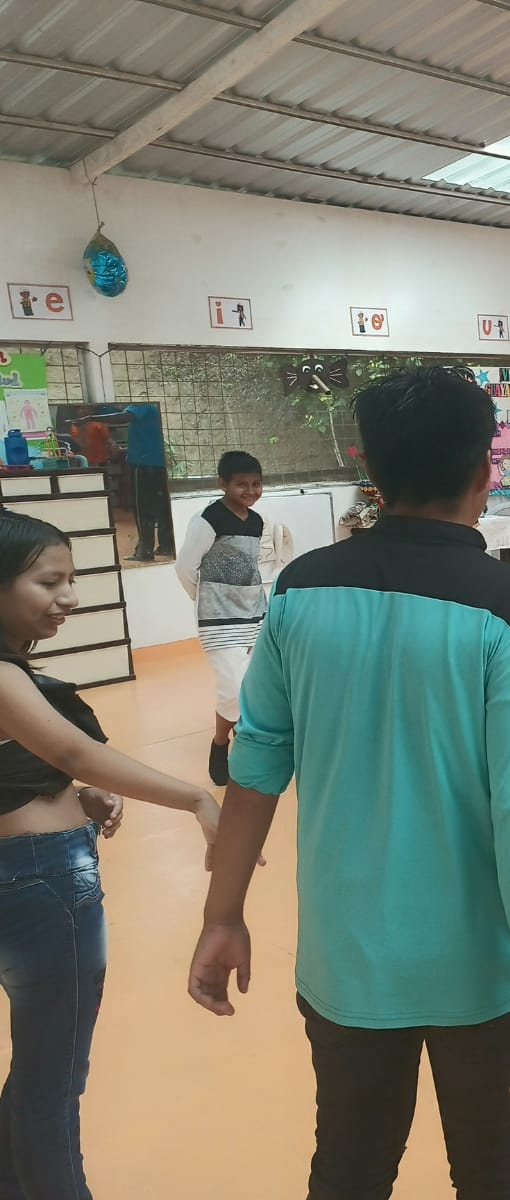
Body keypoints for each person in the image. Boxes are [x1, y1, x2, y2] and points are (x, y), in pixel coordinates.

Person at [187, 367, 510, 1197]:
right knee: (498, 1180)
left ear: (369, 468)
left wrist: (222, 915)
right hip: (482, 980)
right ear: (484, 471)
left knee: (348, 1169)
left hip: (346, 966)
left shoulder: (301, 592)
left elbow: (255, 767)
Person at [0, 512, 218, 1199]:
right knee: (52, 1084)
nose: (68, 598)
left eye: (71, 580)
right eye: (48, 582)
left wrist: (71, 792)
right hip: (42, 881)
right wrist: (195, 797)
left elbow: (40, 762)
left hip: (27, 876)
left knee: (37, 1073)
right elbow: (72, 749)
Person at [175, 451, 278, 786]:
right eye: (241, 485)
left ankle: (240, 745)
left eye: (256, 484)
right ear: (223, 484)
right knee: (232, 688)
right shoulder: (209, 519)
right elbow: (185, 567)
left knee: (253, 686)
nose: (250, 491)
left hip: (254, 613)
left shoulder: (257, 521)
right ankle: (222, 744)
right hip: (218, 620)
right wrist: (206, 600)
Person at [93, 404, 173, 561]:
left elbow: (123, 417)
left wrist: (91, 418)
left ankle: (145, 550)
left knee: (143, 509)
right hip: (159, 463)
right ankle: (166, 545)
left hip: (144, 464)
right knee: (162, 508)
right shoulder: (152, 407)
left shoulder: (139, 405)